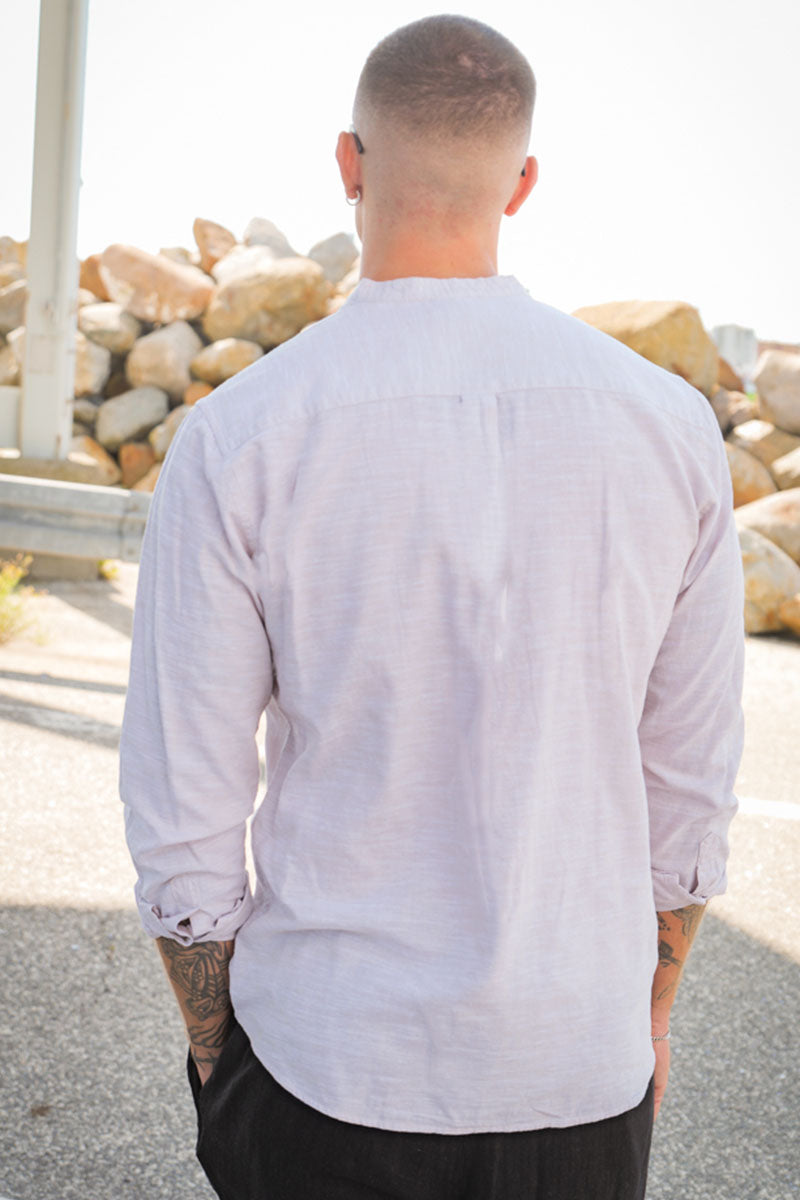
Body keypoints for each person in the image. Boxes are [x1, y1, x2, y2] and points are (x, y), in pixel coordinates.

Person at [120, 14, 745, 1200]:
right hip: (579, 1067)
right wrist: (650, 1010)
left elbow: (184, 799)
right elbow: (688, 779)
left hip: (326, 1064)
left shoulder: (243, 434)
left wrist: (212, 1048)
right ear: (522, 183)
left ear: (346, 164)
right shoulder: (669, 430)